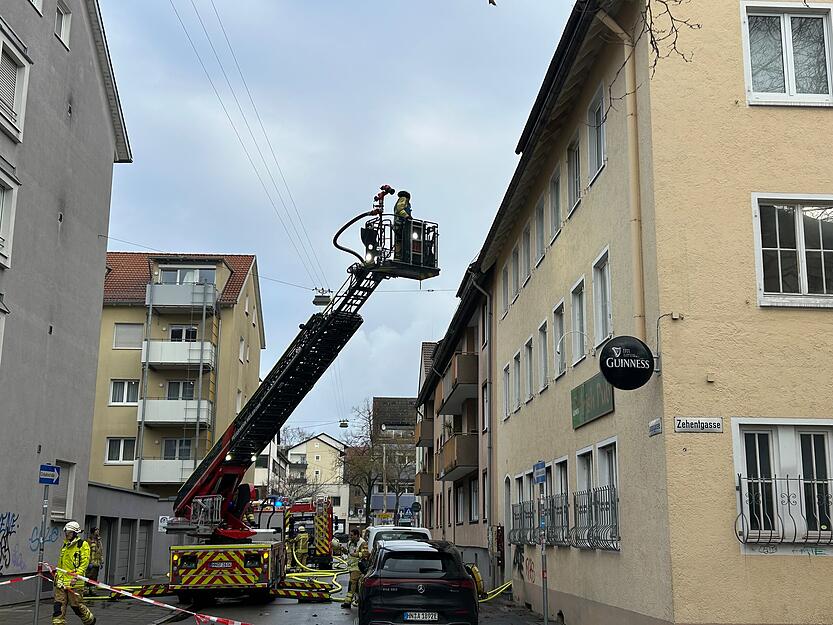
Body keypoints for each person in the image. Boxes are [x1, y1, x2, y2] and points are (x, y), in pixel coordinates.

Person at [53, 521, 95, 625]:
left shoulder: (82, 545)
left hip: (74, 583)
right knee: (58, 606)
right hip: (62, 582)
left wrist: (76, 576)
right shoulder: (65, 544)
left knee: (76, 606)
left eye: (69, 532)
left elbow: (84, 563)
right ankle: (58, 623)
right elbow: (61, 563)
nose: (67, 534)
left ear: (75, 533)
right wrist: (57, 576)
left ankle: (89, 620)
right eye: (66, 532)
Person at [341, 528, 368, 609]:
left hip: (357, 567)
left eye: (352, 535)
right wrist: (343, 549)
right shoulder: (350, 543)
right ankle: (359, 600)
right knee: (356, 586)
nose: (350, 537)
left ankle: (347, 602)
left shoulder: (362, 543)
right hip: (351, 567)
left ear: (357, 535)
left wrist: (355, 554)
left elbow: (365, 554)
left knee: (352, 583)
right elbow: (348, 552)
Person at [84, 528, 103, 597]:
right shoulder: (88, 541)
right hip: (90, 563)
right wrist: (88, 562)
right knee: (88, 577)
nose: (98, 532)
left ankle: (92, 591)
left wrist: (101, 561)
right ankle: (85, 591)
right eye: (96, 531)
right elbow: (86, 552)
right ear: (93, 533)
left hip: (96, 563)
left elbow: (100, 552)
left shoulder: (99, 541)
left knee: (94, 578)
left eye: (98, 531)